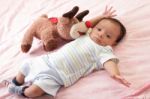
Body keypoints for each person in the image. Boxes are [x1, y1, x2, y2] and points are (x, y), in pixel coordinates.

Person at [3, 6, 131, 98]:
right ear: (93, 28)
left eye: (108, 36)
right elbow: (83, 26)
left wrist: (115, 74)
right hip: (47, 60)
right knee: (25, 65)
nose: (101, 35)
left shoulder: (105, 51)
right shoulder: (85, 34)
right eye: (99, 29)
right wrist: (101, 17)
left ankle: (20, 90)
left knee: (33, 92)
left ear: (113, 43)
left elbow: (109, 63)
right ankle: (16, 81)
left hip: (58, 76)